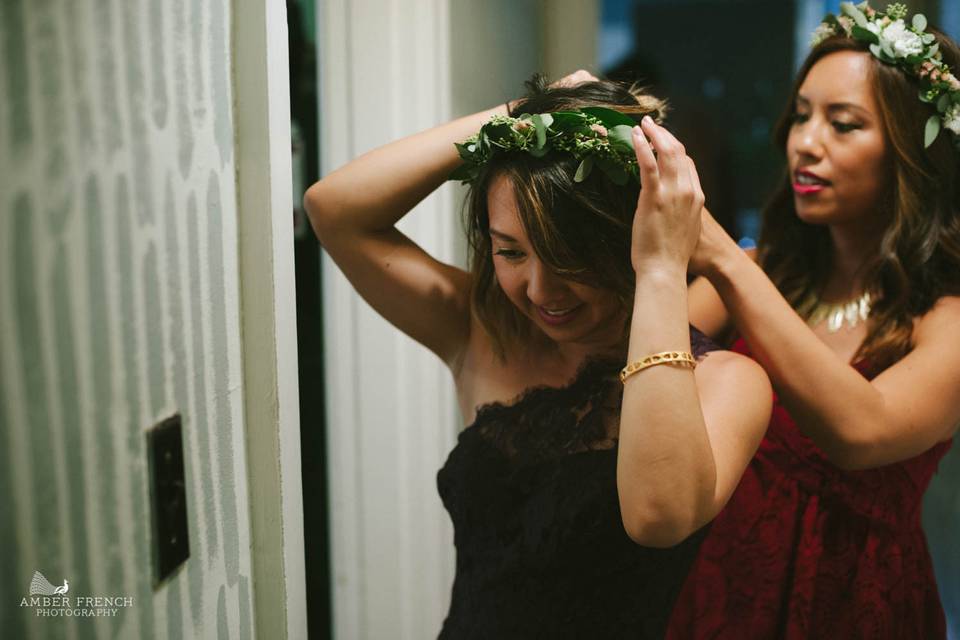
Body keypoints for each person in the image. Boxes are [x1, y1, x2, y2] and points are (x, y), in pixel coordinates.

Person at [304, 73, 772, 638]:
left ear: (632, 236)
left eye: (569, 255)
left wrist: (661, 268)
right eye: (511, 252)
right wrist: (532, 114)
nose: (540, 291)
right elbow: (333, 209)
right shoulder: (482, 331)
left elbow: (658, 516)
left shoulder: (728, 383)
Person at [664, 3, 960, 638]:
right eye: (800, 116)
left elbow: (860, 430)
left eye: (842, 124)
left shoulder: (947, 318)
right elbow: (637, 372)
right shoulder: (762, 271)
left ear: (911, 149)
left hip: (858, 604)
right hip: (719, 587)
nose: (804, 142)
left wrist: (718, 254)